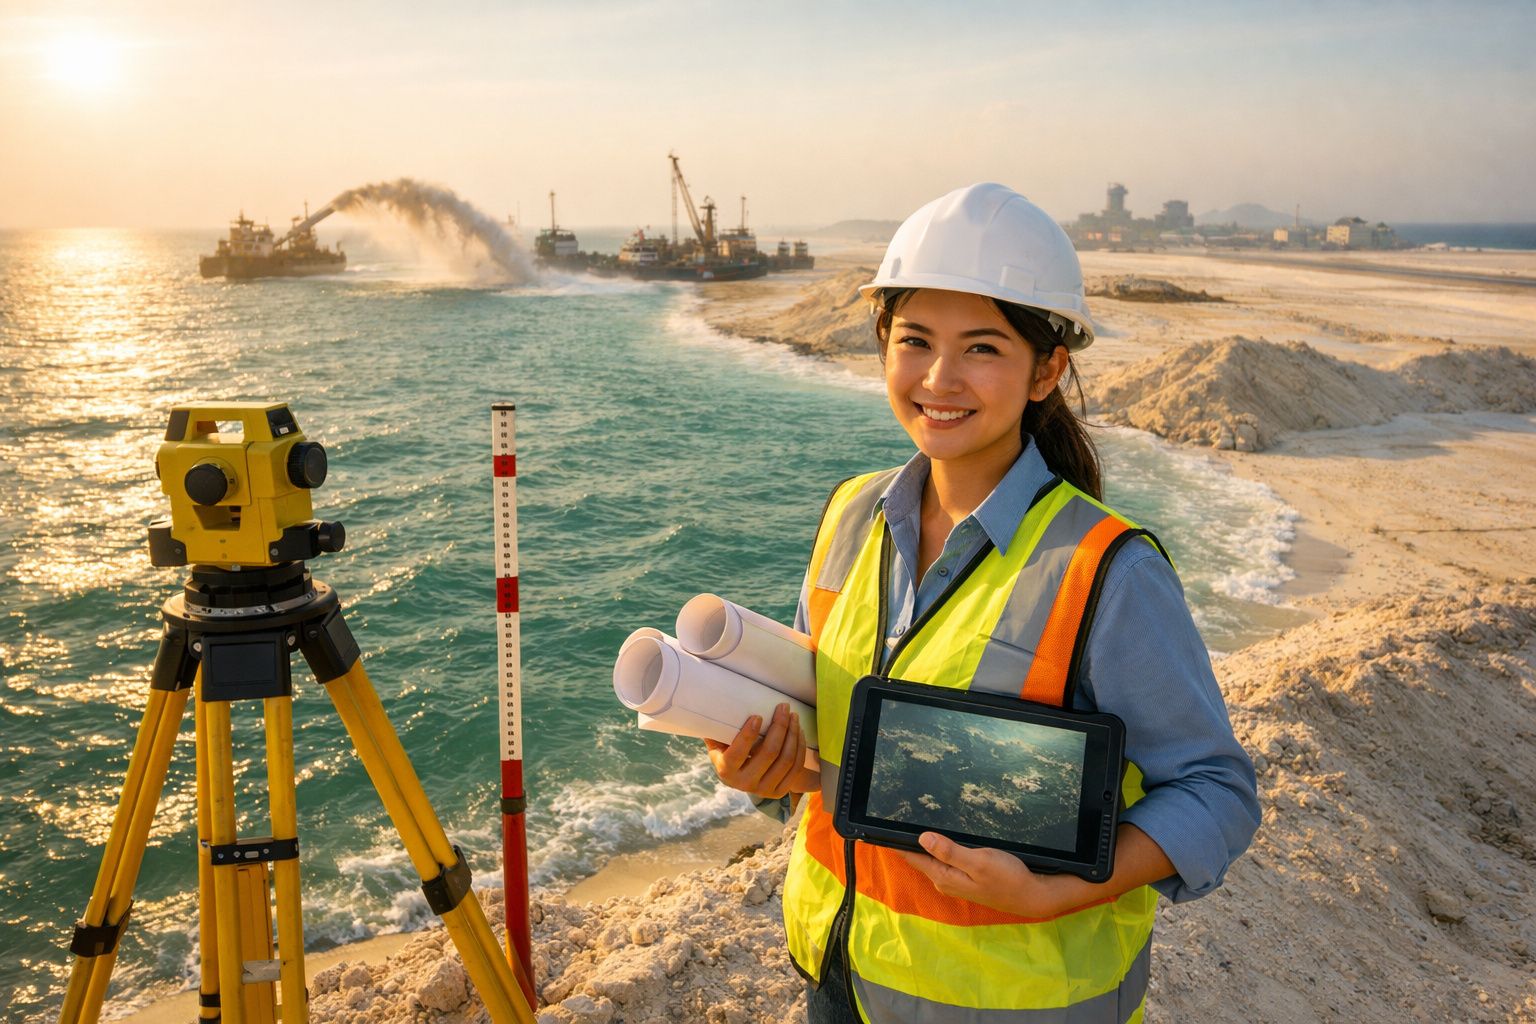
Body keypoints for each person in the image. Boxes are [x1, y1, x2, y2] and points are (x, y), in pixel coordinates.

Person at [705, 183, 1259, 1024]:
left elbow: (1217, 793)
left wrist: (1054, 893)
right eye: (914, 340)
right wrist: (770, 773)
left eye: (982, 349)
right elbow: (844, 753)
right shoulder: (853, 516)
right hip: (840, 983)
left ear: (1048, 369)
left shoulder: (1106, 569)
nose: (938, 378)